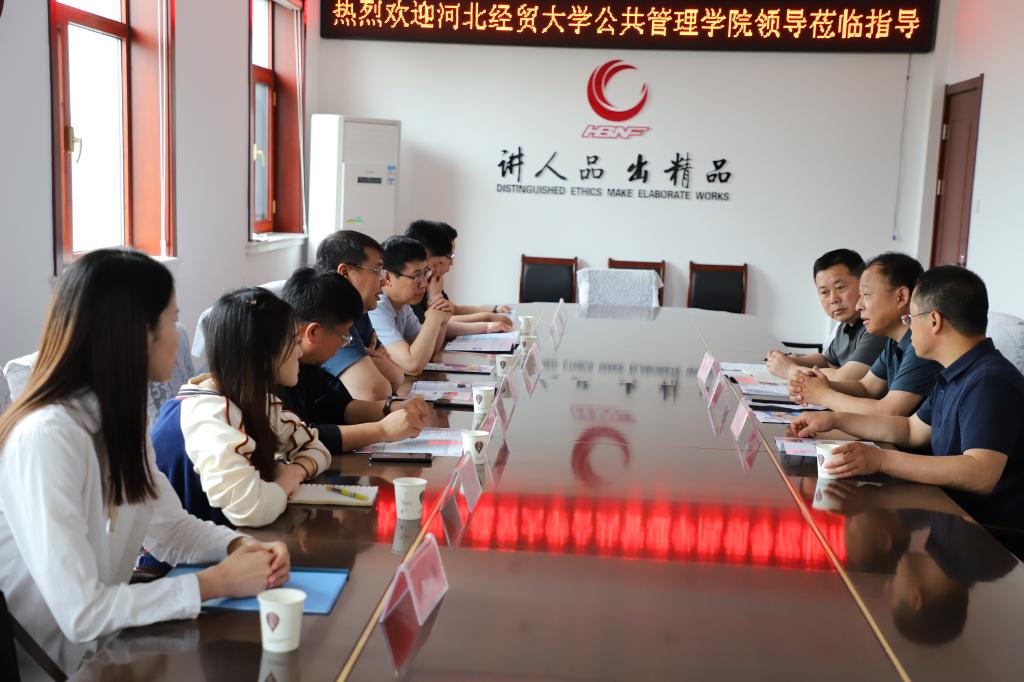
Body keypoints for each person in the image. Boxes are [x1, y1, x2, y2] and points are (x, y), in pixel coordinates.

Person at [0, 249, 288, 680]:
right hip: (53, 665)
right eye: (172, 321)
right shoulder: (48, 436)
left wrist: (239, 547)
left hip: (103, 651)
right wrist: (218, 582)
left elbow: (170, 529)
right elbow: (81, 613)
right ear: (138, 334)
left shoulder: (118, 420)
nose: (179, 335)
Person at [789, 266, 1024, 535]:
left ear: (934, 321)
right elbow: (911, 429)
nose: (908, 327)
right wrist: (834, 420)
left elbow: (980, 473)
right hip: (949, 515)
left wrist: (881, 460)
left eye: (910, 318)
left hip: (988, 538)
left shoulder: (988, 380)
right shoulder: (954, 373)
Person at [152, 288, 332, 528]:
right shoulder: (208, 414)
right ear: (264, 352)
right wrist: (285, 483)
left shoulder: (252, 401)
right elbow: (251, 508)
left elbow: (316, 448)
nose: (300, 352)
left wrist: (296, 471)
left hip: (231, 542)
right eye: (295, 342)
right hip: (190, 552)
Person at [279, 267, 429, 453]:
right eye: (344, 336)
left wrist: (393, 407)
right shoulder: (279, 375)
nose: (344, 344)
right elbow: (299, 437)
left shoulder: (310, 364)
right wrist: (381, 431)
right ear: (314, 332)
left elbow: (340, 407)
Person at [789, 252, 941, 416]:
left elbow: (888, 411)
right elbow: (866, 388)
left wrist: (823, 395)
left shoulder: (921, 344)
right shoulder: (894, 342)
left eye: (866, 295)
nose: (858, 306)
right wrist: (820, 384)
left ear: (901, 297)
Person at [767, 249, 885, 381]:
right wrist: (787, 360)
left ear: (864, 284)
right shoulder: (845, 326)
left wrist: (790, 370)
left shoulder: (876, 327)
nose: (833, 299)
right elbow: (827, 361)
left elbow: (846, 378)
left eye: (840, 288)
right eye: (824, 292)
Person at [315, 230, 405, 399]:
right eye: (377, 270)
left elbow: (393, 375)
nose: (384, 281)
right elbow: (375, 391)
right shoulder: (330, 315)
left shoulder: (360, 311)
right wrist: (392, 373)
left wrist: (392, 373)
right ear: (345, 273)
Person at [404, 219, 514, 334]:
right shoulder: (413, 288)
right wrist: (487, 320)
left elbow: (453, 310)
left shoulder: (431, 281)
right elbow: (430, 326)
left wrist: (492, 312)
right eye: (450, 256)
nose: (451, 263)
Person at [369, 236, 453, 375]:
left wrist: (442, 321)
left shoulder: (403, 306)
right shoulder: (377, 306)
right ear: (387, 277)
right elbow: (413, 366)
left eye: (425, 273)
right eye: (416, 276)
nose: (424, 284)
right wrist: (433, 319)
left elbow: (428, 354)